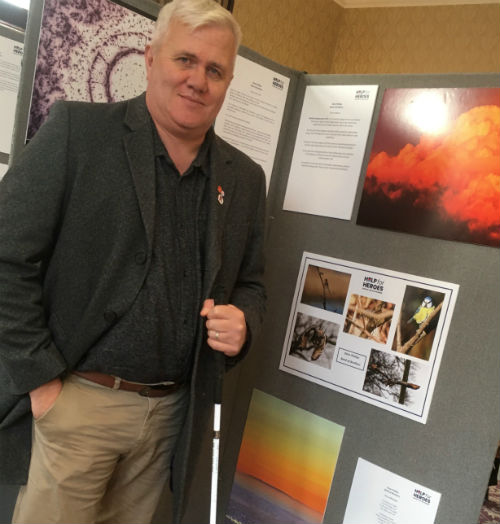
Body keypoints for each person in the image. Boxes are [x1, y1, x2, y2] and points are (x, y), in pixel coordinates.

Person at [0, 0, 266, 523]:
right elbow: (6, 256)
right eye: (184, 60)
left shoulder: (243, 178)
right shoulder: (79, 132)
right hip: (78, 402)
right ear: (149, 59)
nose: (198, 80)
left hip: (172, 414)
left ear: (229, 82)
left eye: (215, 70)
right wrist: (44, 384)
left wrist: (246, 325)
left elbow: (251, 285)